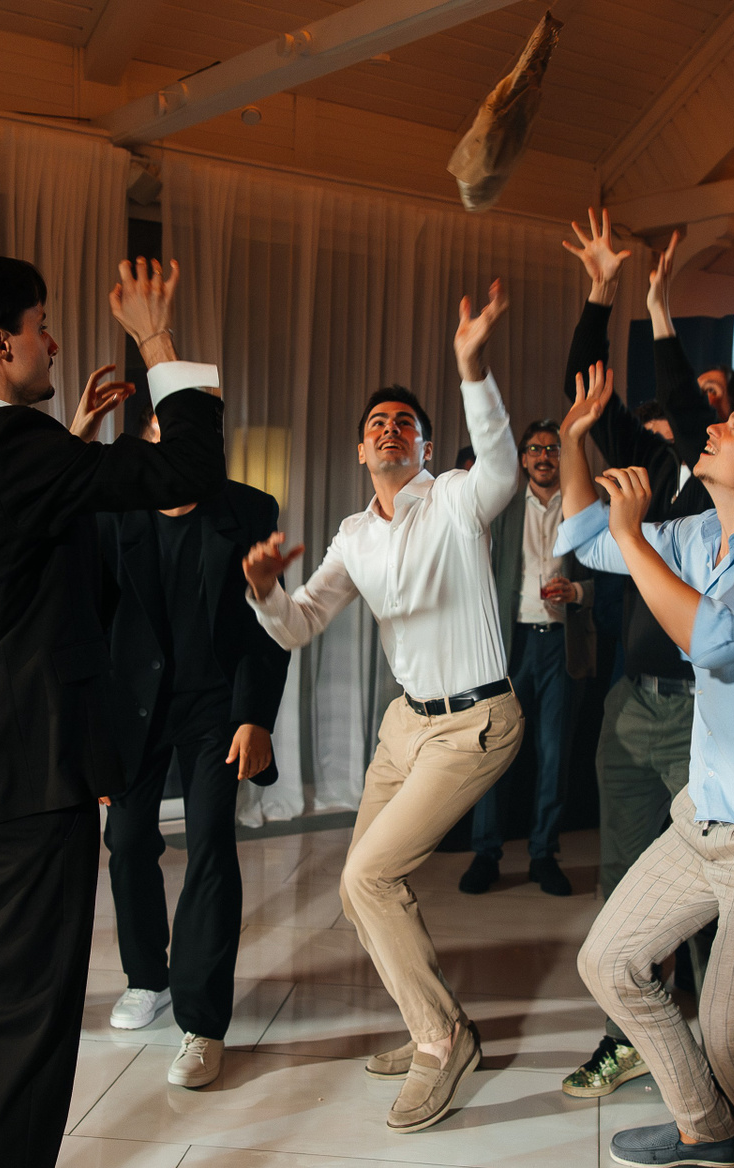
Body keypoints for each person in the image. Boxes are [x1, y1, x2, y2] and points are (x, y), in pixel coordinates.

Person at [0, 255, 226, 1168]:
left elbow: (10, 548)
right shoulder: (15, 449)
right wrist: (156, 338)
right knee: (21, 1024)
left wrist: (71, 444)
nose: (53, 342)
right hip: (27, 779)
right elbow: (187, 465)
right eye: (40, 326)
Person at [243, 280, 519, 1133]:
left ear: (425, 445)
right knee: (362, 887)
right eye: (377, 424)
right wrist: (266, 591)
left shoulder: (459, 499)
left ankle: (442, 1042)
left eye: (405, 422)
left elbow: (502, 464)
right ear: (361, 449)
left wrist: (471, 367)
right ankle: (436, 1022)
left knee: (368, 875)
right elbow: (299, 626)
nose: (390, 430)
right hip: (405, 725)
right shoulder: (353, 534)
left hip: (475, 722)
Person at [561, 361, 734, 1168]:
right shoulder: (695, 536)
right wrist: (576, 441)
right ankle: (706, 1127)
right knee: (609, 961)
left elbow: (713, 638)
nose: (714, 426)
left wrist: (629, 534)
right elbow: (581, 542)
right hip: (705, 819)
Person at [556, 213, 720, 1100]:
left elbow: (687, 403)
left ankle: (718, 1051)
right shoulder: (654, 473)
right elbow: (586, 388)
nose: (699, 423)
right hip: (633, 701)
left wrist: (660, 312)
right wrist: (603, 290)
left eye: (720, 418)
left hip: (706, 711)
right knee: (624, 878)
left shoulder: (731, 502)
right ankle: (628, 1035)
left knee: (707, 889)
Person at [97, 405, 293, 1089]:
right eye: (162, 433)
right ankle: (146, 978)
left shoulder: (248, 509)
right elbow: (88, 622)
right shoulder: (114, 510)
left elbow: (267, 621)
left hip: (216, 707)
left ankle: (202, 1023)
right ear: (145, 443)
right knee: (126, 840)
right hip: (134, 707)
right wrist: (93, 737)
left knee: (211, 840)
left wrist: (256, 717)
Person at [460, 418, 594, 897]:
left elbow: (613, 576)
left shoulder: (583, 508)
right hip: (510, 645)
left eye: (553, 449)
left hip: (561, 643)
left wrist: (578, 590)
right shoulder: (504, 508)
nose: (544, 457)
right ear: (522, 459)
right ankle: (486, 853)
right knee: (496, 749)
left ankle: (543, 854)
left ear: (563, 456)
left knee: (554, 756)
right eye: (535, 449)